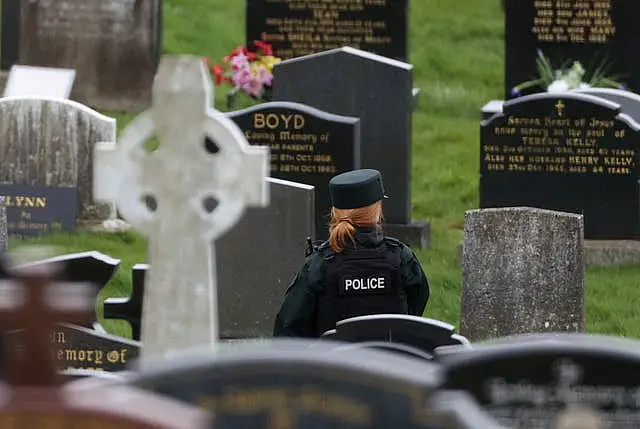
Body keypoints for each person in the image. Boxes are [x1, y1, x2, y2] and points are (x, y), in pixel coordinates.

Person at [273, 168, 430, 338]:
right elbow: (416, 308)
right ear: (377, 210)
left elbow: (289, 327)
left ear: (335, 211)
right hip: (389, 360)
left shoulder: (319, 265)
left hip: (334, 362)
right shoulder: (401, 258)